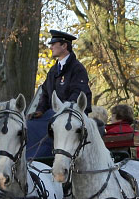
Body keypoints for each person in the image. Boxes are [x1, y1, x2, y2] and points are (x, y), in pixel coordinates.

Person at [27, 29, 92, 161]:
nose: (50, 47)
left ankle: (44, 159)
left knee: (49, 123)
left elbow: (78, 93)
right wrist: (40, 110)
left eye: (53, 44)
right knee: (29, 124)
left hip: (71, 113)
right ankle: (29, 160)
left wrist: (62, 109)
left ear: (64, 45)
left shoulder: (77, 68)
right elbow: (45, 92)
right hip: (54, 112)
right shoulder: (53, 70)